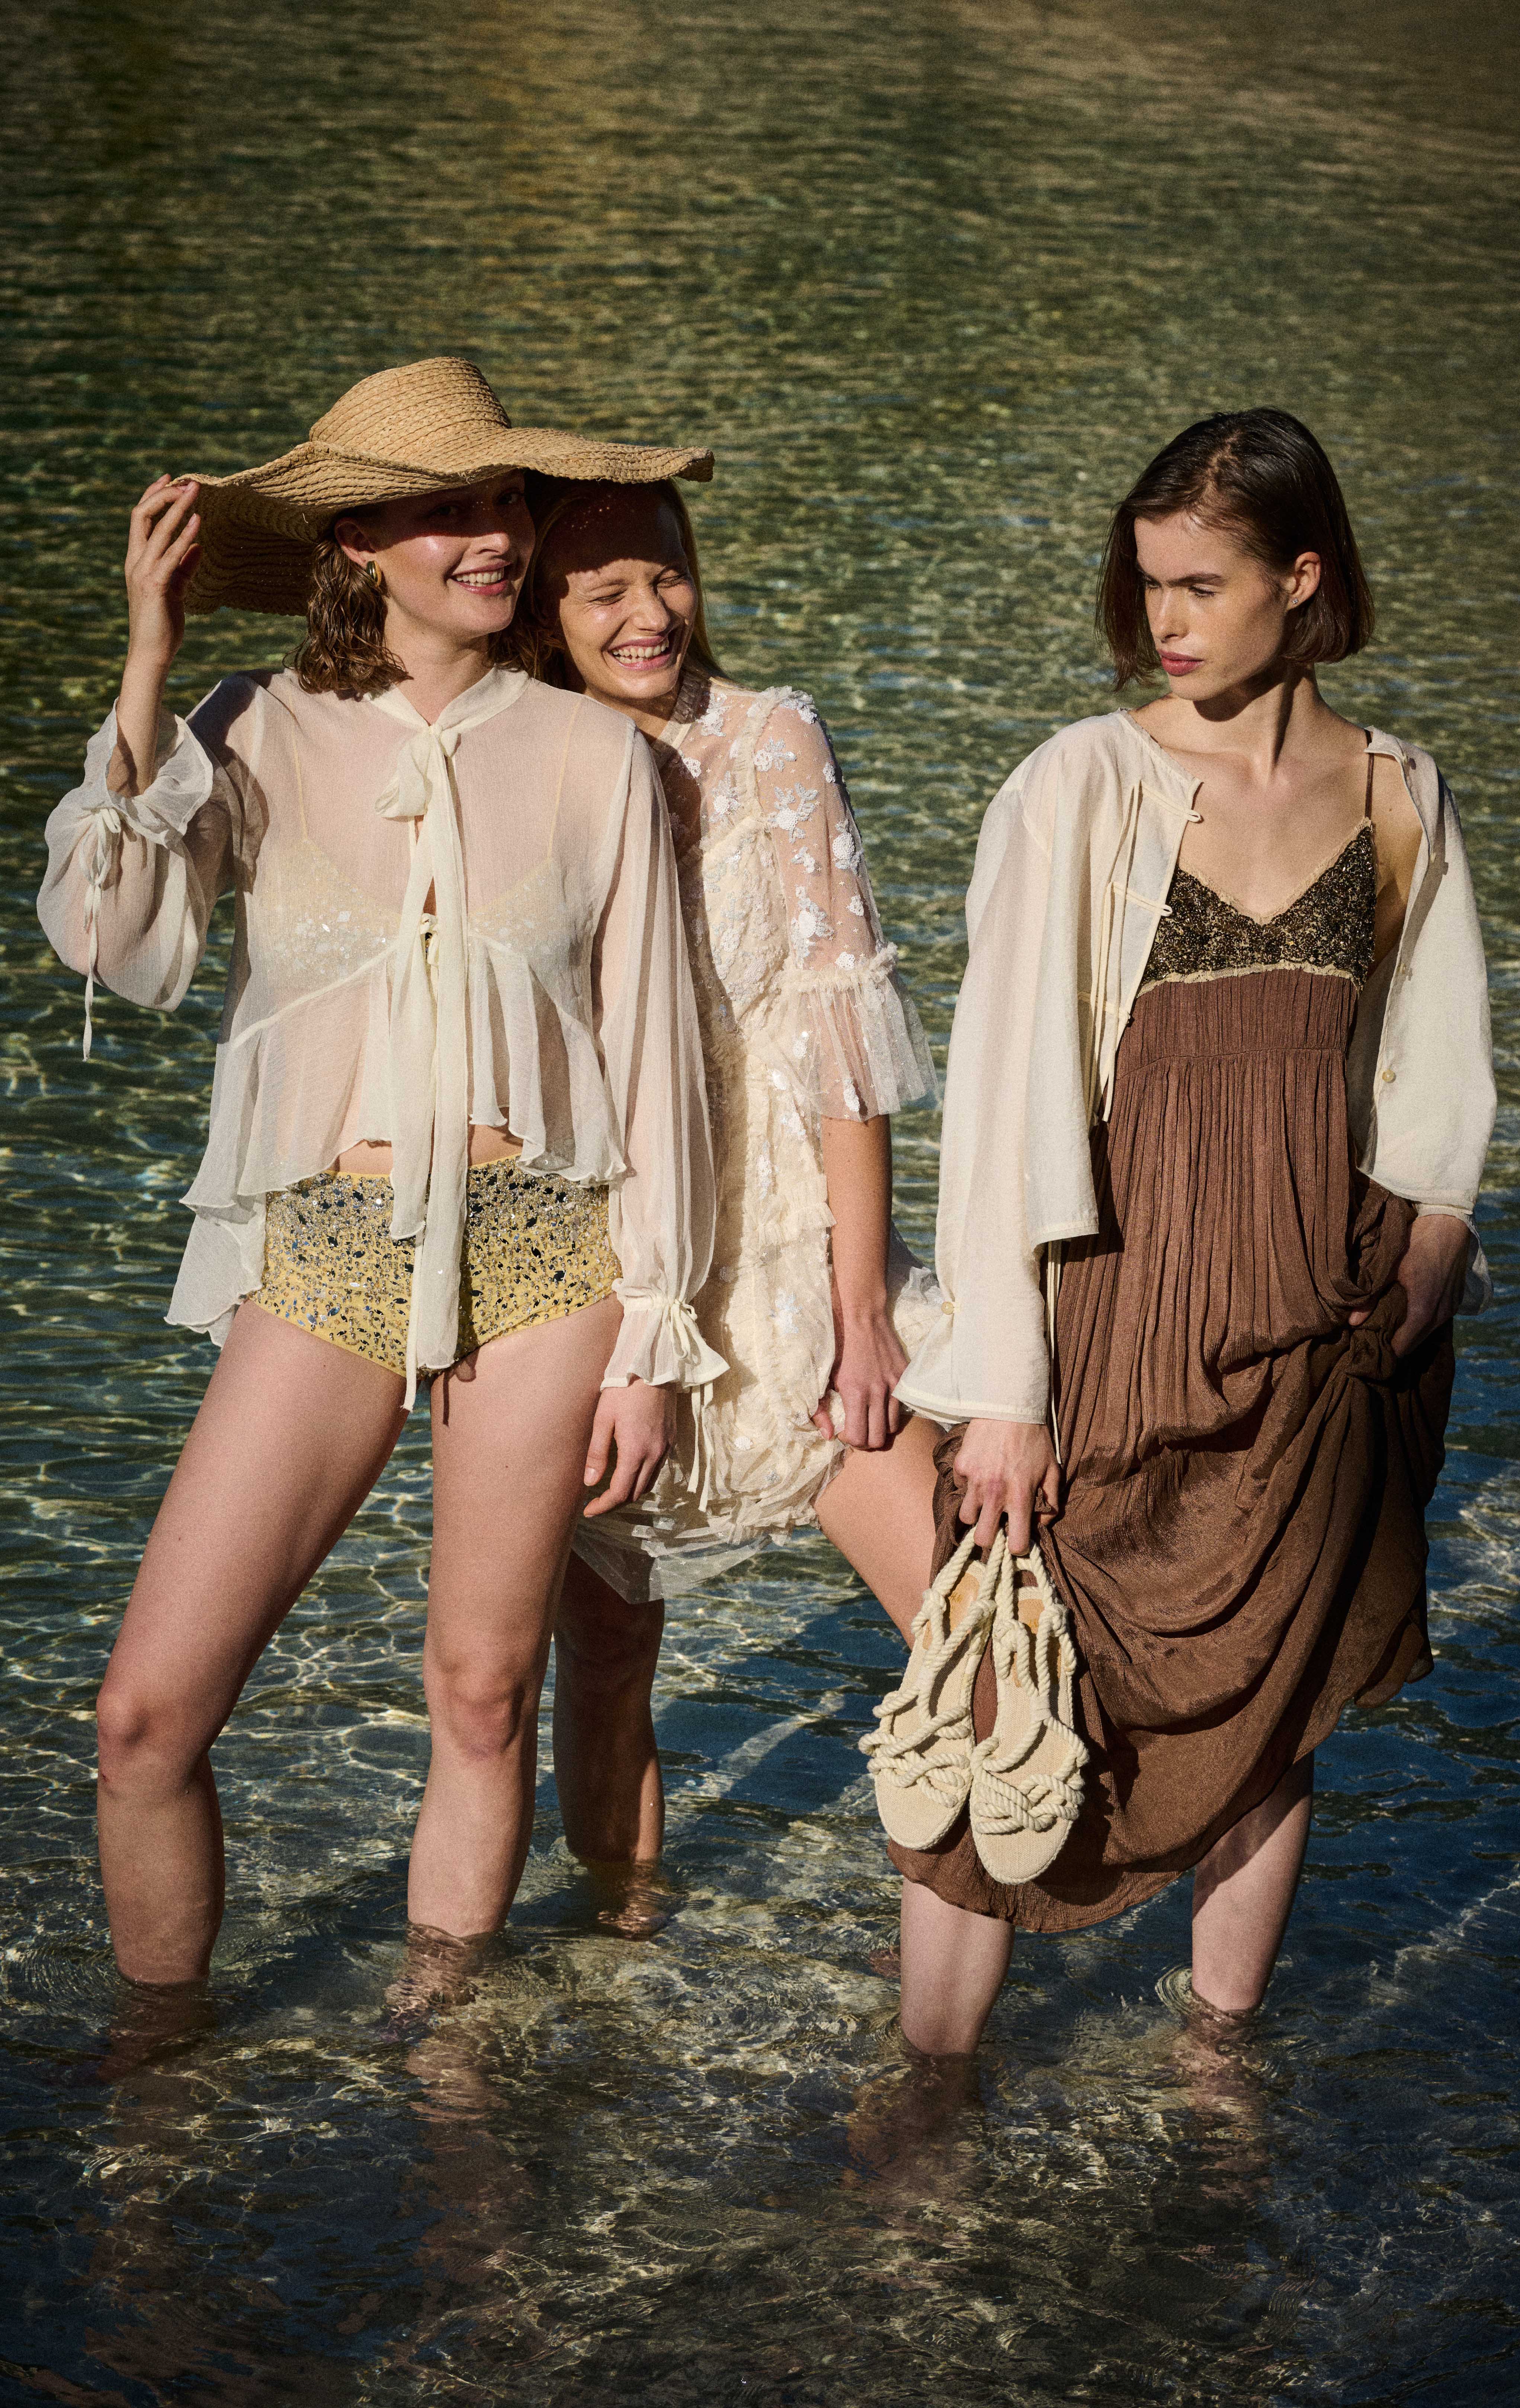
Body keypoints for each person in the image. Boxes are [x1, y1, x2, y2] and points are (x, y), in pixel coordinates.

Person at [36, 357, 727, 1987]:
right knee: (143, 1717)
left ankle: (450, 2086)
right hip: (333, 1237)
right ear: (354, 545)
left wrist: (650, 1338)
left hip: (545, 1248)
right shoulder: (252, 727)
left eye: (504, 503)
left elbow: (654, 1064)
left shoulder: (589, 751)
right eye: (447, 508)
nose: (492, 535)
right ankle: (161, 2092)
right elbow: (106, 936)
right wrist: (150, 666)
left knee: (480, 1693)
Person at [889, 409, 1496, 2055]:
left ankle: (1213, 2078)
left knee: (1279, 1705)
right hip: (1112, 1307)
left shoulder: (1395, 795)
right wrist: (1000, 1382)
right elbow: (1006, 1095)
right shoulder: (1079, 783)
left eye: (1200, 584)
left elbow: (1438, 1068)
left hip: (1318, 1324)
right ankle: (926, 2093)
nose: (1163, 618)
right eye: (1147, 582)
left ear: (1299, 581)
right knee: (1016, 1682)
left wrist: (1426, 1262)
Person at [521, 477, 950, 1879]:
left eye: (670, 577)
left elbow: (844, 1026)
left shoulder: (772, 741)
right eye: (606, 592)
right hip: (601, 1267)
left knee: (972, 1622)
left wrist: (862, 1299)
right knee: (604, 1658)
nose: (650, 614)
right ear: (545, 610)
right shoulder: (524, 755)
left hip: (785, 1249)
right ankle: (617, 1975)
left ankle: (983, 2010)